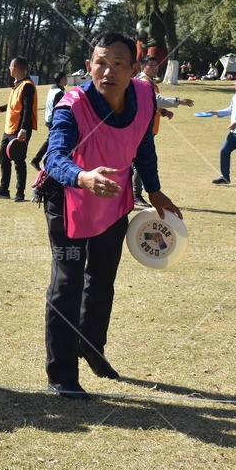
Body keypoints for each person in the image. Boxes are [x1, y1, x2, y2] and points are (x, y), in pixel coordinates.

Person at [37, 32, 182, 399]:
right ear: (89, 67)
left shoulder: (145, 95)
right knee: (68, 282)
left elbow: (143, 144)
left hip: (113, 201)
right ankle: (62, 373)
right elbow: (53, 158)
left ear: (133, 69)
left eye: (118, 64)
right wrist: (82, 176)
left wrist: (154, 189)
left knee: (101, 281)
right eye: (101, 63)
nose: (108, 71)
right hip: (67, 198)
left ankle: (91, 346)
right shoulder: (72, 104)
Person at [131, 55, 195, 207]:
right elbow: (156, 99)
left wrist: (164, 112)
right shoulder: (143, 82)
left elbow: (150, 103)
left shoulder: (148, 82)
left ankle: (133, 194)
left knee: (137, 163)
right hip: (141, 130)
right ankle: (135, 195)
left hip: (147, 130)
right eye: (151, 64)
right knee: (141, 163)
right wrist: (178, 101)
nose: (155, 67)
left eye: (156, 64)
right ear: (142, 66)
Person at [0, 56, 37, 202]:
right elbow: (14, 104)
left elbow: (27, 109)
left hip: (20, 129)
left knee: (19, 160)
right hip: (9, 128)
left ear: (15, 67)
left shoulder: (27, 85)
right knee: (3, 157)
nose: (9, 69)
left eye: (10, 66)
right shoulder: (18, 84)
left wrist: (23, 130)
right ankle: (4, 190)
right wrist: (0, 109)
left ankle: (20, 193)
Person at [30, 71, 67, 171]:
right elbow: (59, 109)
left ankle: (38, 160)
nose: (67, 79)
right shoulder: (59, 93)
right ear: (61, 80)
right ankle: (37, 160)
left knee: (51, 140)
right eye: (65, 77)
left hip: (49, 118)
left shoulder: (53, 88)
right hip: (54, 120)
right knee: (52, 141)